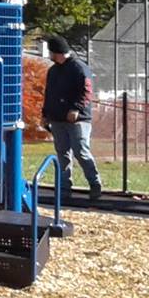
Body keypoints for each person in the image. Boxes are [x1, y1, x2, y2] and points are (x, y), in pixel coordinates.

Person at [42, 35, 102, 203]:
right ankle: (64, 188)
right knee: (62, 154)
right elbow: (49, 94)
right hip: (57, 118)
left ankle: (95, 183)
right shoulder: (53, 71)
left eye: (51, 52)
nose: (49, 55)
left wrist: (76, 108)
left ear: (58, 52)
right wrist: (45, 114)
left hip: (78, 119)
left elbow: (86, 91)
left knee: (81, 151)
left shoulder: (78, 67)